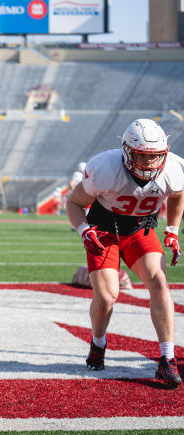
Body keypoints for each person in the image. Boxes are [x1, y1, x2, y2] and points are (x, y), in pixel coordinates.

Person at [66, 119, 183, 387]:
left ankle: (167, 359)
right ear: (127, 151)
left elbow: (177, 195)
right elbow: (73, 202)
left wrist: (173, 229)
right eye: (142, 155)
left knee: (159, 281)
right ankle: (98, 343)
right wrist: (84, 230)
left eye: (154, 157)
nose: (149, 163)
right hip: (104, 231)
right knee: (107, 297)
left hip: (139, 230)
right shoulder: (105, 168)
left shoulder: (174, 167)